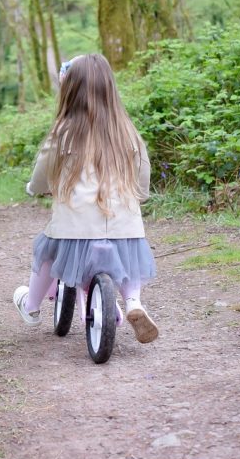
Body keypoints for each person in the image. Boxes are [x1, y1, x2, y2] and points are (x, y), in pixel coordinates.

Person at [12, 54, 159, 344]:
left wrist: (34, 187)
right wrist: (140, 195)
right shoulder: (125, 130)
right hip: (124, 223)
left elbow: (43, 170)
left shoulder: (64, 132)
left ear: (70, 91)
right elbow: (143, 167)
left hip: (75, 226)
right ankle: (133, 302)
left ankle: (31, 306)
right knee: (129, 259)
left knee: (48, 251)